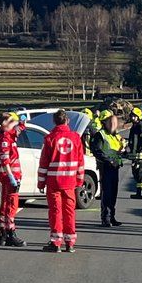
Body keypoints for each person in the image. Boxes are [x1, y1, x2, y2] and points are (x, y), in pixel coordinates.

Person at [37, 108, 86, 252]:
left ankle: (56, 242)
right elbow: (80, 161)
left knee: (55, 211)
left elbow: (44, 163)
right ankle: (70, 243)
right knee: (69, 211)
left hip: (53, 182)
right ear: (67, 120)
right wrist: (79, 180)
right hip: (70, 182)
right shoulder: (76, 137)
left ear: (54, 121)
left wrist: (41, 182)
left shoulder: (50, 139)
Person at [0, 109, 27, 247]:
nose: (14, 124)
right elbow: (5, 160)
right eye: (11, 122)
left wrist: (22, 119)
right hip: (9, 176)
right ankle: (10, 233)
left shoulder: (8, 135)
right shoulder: (5, 139)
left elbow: (20, 128)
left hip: (7, 176)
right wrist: (11, 177)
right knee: (11, 206)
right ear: (4, 124)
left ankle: (4, 234)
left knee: (5, 205)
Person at [87, 111, 126, 227]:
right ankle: (106, 218)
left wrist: (124, 149)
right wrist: (109, 160)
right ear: (105, 123)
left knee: (113, 193)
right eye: (111, 122)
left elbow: (119, 147)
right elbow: (97, 151)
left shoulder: (115, 135)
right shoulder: (100, 135)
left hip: (115, 167)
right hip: (106, 167)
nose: (114, 125)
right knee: (107, 193)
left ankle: (112, 217)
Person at [122, 106, 142, 198]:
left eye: (134, 116)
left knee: (139, 173)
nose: (132, 118)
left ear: (138, 117)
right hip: (135, 155)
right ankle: (141, 192)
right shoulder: (134, 126)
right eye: (132, 116)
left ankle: (141, 193)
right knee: (136, 173)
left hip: (140, 155)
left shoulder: (140, 126)